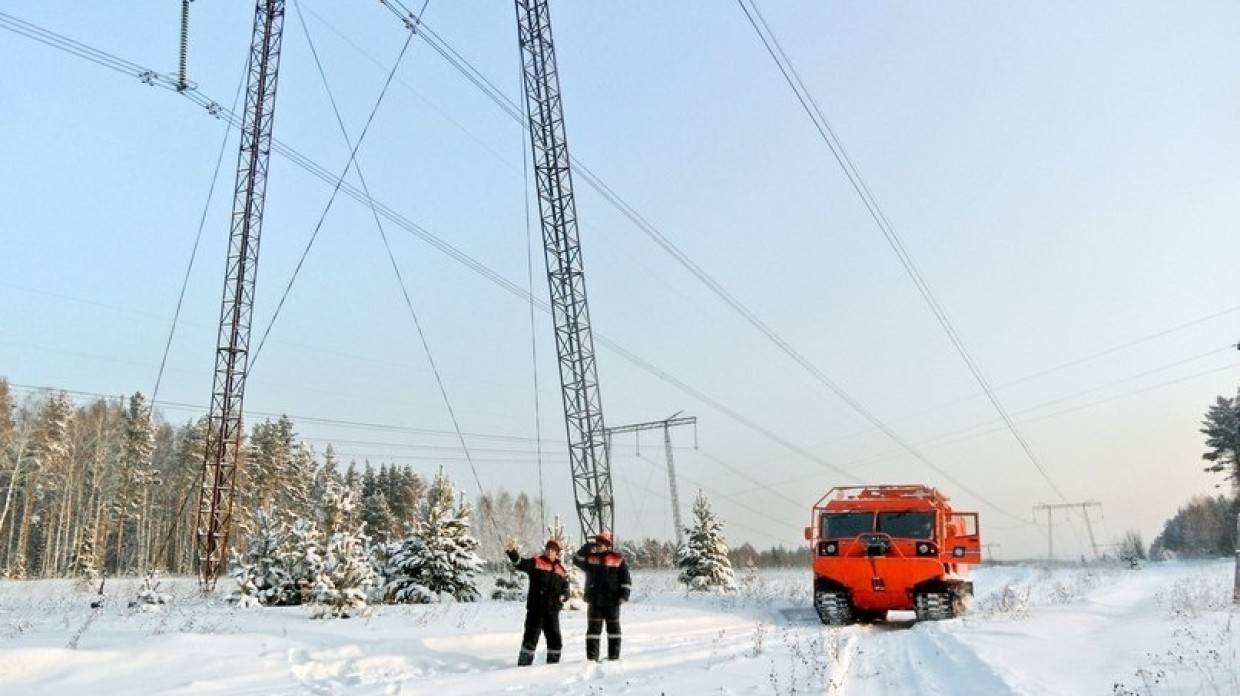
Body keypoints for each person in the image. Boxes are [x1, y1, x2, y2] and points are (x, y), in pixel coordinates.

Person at [506, 538, 570, 666]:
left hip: (552, 612)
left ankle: (553, 666)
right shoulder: (537, 562)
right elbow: (520, 564)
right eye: (548, 549)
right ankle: (524, 666)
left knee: (555, 640)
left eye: (552, 550)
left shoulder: (561, 570)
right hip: (536, 610)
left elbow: (566, 588)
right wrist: (512, 552)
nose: (549, 551)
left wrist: (564, 595)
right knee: (530, 639)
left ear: (557, 553)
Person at [572, 529, 631, 661]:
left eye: (601, 543)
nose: (599, 546)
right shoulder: (590, 559)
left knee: (614, 631)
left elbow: (626, 580)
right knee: (593, 632)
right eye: (597, 543)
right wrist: (587, 547)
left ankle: (613, 657)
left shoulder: (618, 559)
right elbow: (576, 559)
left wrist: (623, 595)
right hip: (595, 602)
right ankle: (592, 658)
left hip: (613, 601)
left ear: (607, 544)